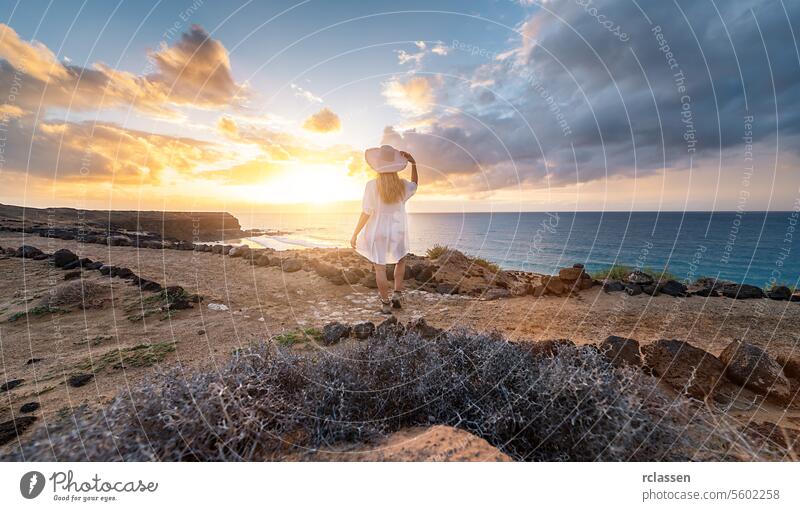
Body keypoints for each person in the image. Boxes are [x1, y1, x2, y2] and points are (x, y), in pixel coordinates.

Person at [350, 144, 418, 314]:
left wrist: (355, 233)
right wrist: (414, 164)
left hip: (377, 230)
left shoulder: (371, 185)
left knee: (379, 267)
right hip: (397, 229)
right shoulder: (402, 185)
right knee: (400, 261)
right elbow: (415, 185)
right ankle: (397, 294)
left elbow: (366, 212)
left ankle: (385, 304)